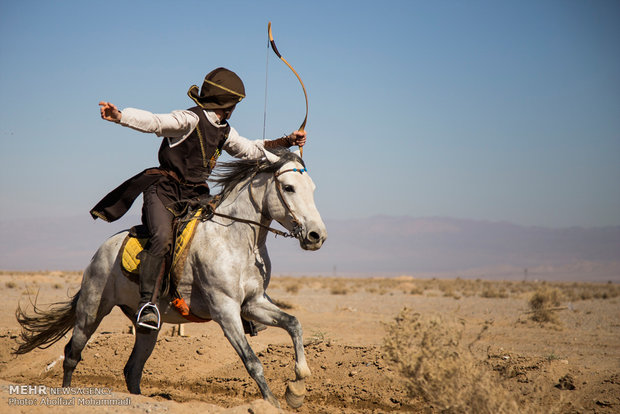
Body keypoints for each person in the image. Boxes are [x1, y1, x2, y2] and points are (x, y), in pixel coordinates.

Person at [91, 67, 306, 330]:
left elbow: (251, 150)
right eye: (235, 103)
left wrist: (286, 142)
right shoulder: (188, 119)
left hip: (196, 196)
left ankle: (242, 305)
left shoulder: (224, 130)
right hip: (164, 191)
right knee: (162, 237)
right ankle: (148, 304)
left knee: (222, 235)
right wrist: (121, 116)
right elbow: (156, 122)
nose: (235, 108)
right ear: (226, 103)